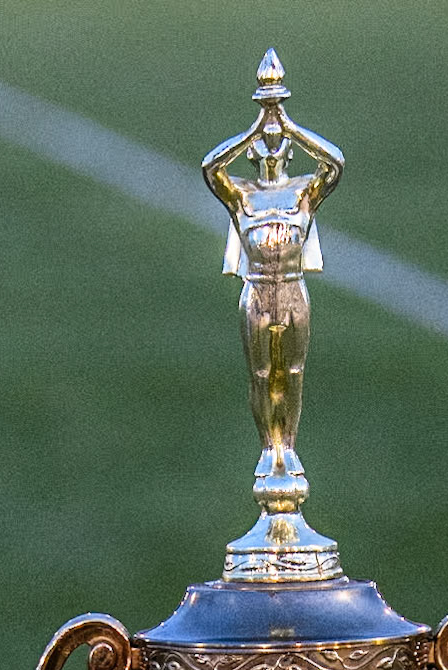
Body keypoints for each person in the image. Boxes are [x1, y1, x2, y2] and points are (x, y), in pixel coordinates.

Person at [201, 50, 343, 502]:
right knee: (263, 374)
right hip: (258, 290)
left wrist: (288, 123)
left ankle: (289, 448)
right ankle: (269, 449)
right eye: (267, 141)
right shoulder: (241, 194)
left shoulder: (302, 192)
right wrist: (255, 127)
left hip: (293, 288)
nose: (272, 146)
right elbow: (210, 168)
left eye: (277, 140)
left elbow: (335, 164)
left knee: (293, 373)